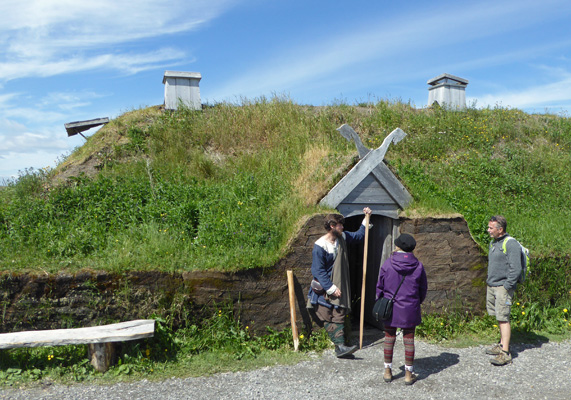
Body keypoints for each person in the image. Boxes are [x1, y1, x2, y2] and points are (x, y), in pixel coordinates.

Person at [307, 207, 372, 358]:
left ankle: (341, 347)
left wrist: (366, 218)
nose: (342, 227)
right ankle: (340, 346)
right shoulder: (320, 246)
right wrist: (330, 288)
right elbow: (318, 270)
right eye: (340, 225)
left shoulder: (342, 238)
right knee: (325, 314)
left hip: (340, 284)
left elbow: (359, 236)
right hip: (325, 287)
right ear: (332, 226)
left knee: (339, 313)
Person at [375, 233, 427, 385]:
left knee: (389, 337)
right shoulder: (418, 265)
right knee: (409, 340)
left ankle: (387, 371)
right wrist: (416, 303)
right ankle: (408, 374)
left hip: (391, 307)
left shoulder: (388, 264)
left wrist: (380, 301)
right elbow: (423, 289)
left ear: (398, 246)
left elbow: (380, 286)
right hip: (410, 307)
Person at [485, 215, 522, 366]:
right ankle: (501, 344)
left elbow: (516, 268)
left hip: (502, 287)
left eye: (491, 228)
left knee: (503, 318)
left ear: (500, 230)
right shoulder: (494, 243)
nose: (488, 231)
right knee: (498, 316)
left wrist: (507, 286)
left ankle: (505, 352)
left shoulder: (511, 243)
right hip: (492, 285)